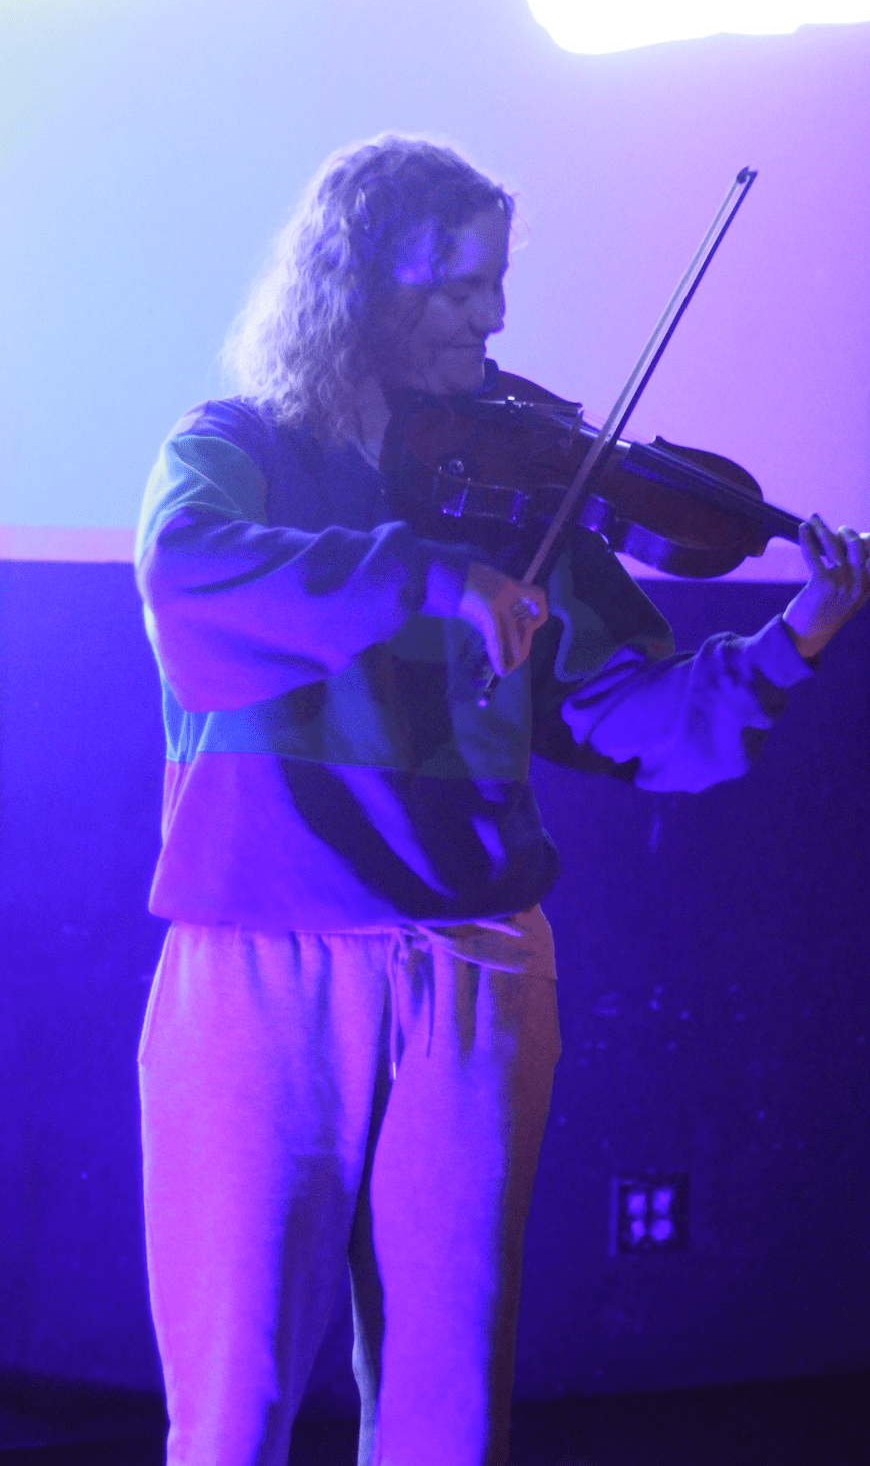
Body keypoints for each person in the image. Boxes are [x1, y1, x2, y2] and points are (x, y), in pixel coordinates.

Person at [135, 135, 869, 1466]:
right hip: (258, 956)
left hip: (472, 963)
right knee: (232, 1396)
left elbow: (642, 723)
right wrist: (423, 576)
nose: (494, 318)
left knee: (445, 1400)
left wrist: (790, 639)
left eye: (498, 282)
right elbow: (190, 585)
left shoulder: (530, 494)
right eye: (456, 286)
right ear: (352, 285)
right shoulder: (231, 454)